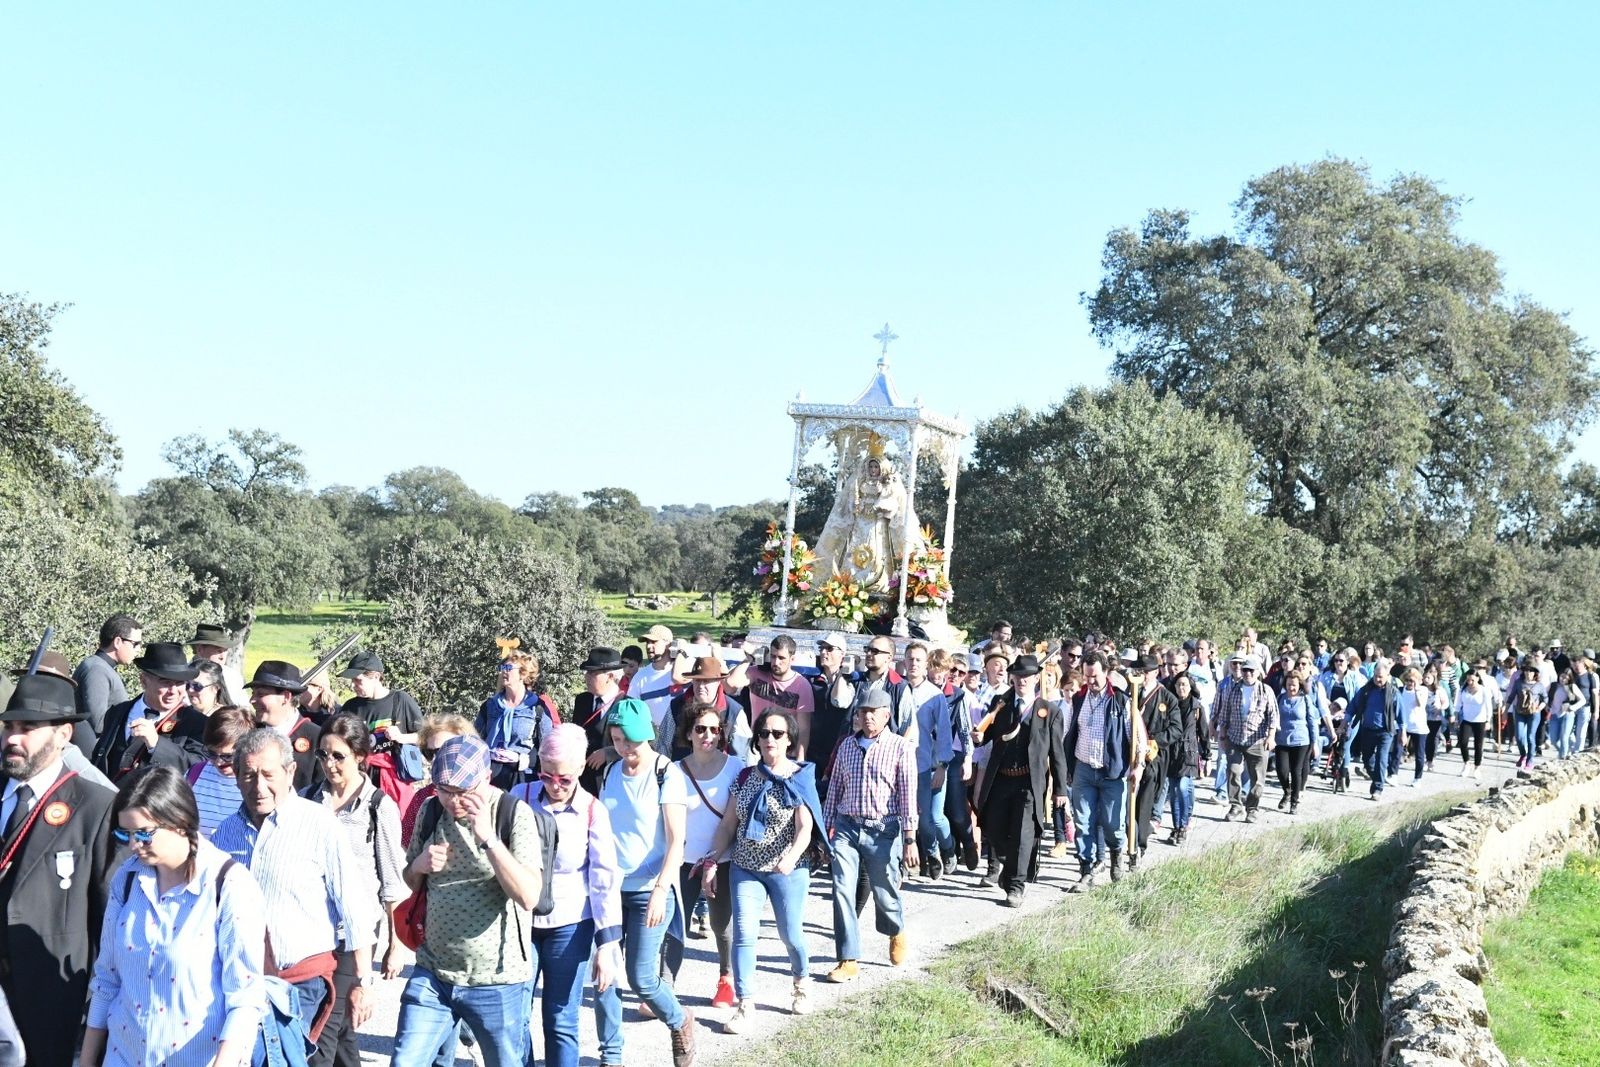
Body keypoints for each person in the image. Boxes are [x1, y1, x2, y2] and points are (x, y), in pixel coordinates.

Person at [81, 766, 267, 1067]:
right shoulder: (127, 880)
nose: (133, 845)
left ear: (180, 822)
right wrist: (88, 1061)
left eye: (144, 833)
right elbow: (106, 980)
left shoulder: (228, 885)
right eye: (124, 834)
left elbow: (245, 996)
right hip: (124, 1056)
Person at [213, 729, 378, 1062]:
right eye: (248, 775)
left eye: (268, 775)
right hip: (242, 985)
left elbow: (354, 907)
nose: (258, 786)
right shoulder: (224, 834)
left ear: (289, 772)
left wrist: (363, 982)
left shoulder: (319, 824)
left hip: (304, 983)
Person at [392, 735, 542, 1067]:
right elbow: (410, 880)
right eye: (445, 790)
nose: (454, 801)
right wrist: (418, 866)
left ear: (486, 778)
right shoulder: (431, 810)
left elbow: (529, 895)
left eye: (464, 792)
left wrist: (488, 838)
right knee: (405, 1061)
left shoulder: (512, 813)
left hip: (497, 980)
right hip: (433, 971)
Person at [0, 671, 120, 1067]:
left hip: (49, 996)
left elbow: (107, 912)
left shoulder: (94, 806)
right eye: (9, 727)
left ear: (64, 734)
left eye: (28, 728)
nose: (13, 738)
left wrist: (95, 1005)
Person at [700, 708, 825, 1032]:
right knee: (744, 935)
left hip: (788, 870)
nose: (770, 739)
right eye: (764, 733)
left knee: (790, 934)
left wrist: (791, 856)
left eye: (778, 734)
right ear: (756, 739)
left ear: (789, 740)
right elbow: (729, 824)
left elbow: (804, 828)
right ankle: (745, 1004)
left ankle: (801, 982)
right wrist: (713, 860)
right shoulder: (745, 777)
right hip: (746, 867)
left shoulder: (798, 777)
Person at [592, 699, 700, 1067]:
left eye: (630, 742)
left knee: (641, 978)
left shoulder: (666, 774)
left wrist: (659, 891)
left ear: (647, 738)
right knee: (604, 973)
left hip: (649, 890)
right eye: (617, 740)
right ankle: (611, 1055)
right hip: (609, 889)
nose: (624, 749)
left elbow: (676, 844)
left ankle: (680, 1019)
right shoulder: (609, 772)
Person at [306, 715, 409, 1067]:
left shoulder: (378, 807)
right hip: (312, 929)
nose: (329, 765)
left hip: (356, 934)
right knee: (343, 1031)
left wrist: (396, 945)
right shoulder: (307, 800)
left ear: (360, 756)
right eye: (323, 756)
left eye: (338, 756)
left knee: (321, 1031)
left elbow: (393, 883)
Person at [521, 723, 621, 1067]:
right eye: (547, 775)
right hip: (522, 921)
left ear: (580, 768)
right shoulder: (519, 797)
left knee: (560, 1018)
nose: (554, 786)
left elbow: (604, 880)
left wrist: (607, 945)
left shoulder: (594, 811)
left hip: (570, 924)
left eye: (564, 778)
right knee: (515, 1015)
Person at [821, 686, 917, 982]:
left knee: (884, 892)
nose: (867, 717)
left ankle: (895, 929)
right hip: (847, 828)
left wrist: (911, 839)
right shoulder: (847, 746)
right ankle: (848, 958)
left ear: (886, 715)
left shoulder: (900, 747)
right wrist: (826, 833)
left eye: (873, 712)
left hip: (883, 830)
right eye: (862, 712)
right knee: (841, 889)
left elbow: (907, 794)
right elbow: (835, 789)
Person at [975, 654, 1070, 905]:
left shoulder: (1050, 712)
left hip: (1029, 783)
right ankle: (1011, 866)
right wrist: (978, 737)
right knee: (993, 828)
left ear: (1036, 678)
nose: (1022, 681)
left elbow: (1057, 753)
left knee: (1022, 833)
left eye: (1026, 676)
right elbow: (987, 734)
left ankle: (1016, 886)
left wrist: (1060, 789)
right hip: (1001, 780)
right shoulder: (1000, 704)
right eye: (1017, 676)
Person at [667, 703, 739, 1007]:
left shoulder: (737, 766)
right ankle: (665, 985)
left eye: (713, 729)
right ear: (688, 733)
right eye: (700, 729)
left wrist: (713, 858)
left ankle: (727, 979)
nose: (707, 735)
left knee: (721, 926)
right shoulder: (674, 770)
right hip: (683, 861)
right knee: (674, 926)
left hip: (722, 861)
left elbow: (731, 821)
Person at [92, 641, 208, 780]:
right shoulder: (117, 712)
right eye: (165, 682)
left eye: (179, 683)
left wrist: (156, 744)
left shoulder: (197, 723)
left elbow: (198, 768)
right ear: (143, 681)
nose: (173, 691)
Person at [337, 651, 424, 810]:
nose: (353, 685)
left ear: (376, 677)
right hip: (359, 781)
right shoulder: (350, 707)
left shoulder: (400, 700)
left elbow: (426, 737)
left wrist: (401, 737)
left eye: (358, 680)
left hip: (395, 782)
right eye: (352, 681)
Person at [900, 643, 953, 879]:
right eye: (910, 659)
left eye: (918, 660)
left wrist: (942, 765)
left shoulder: (934, 695)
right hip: (894, 763)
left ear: (926, 665)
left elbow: (943, 733)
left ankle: (934, 853)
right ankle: (903, 860)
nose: (913, 664)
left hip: (921, 764)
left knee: (924, 816)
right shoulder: (896, 689)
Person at [476, 647, 557, 790]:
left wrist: (520, 759)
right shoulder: (490, 706)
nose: (503, 671)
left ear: (522, 674)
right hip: (489, 776)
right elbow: (475, 740)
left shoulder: (537, 708)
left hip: (522, 778)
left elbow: (548, 750)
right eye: (502, 667)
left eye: (508, 668)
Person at [1128, 653, 1181, 868]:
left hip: (1152, 758)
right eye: (1139, 672)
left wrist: (1153, 741)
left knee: (1143, 803)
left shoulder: (1167, 698)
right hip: (1127, 755)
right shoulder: (1128, 694)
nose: (1143, 675)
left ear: (1156, 672)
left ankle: (1138, 846)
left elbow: (1175, 729)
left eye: (1146, 672)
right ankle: (1124, 841)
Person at [1213, 655, 1278, 822]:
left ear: (1258, 672)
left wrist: (1271, 737)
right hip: (1234, 737)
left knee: (1257, 778)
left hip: (1257, 740)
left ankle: (1252, 807)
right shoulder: (1234, 689)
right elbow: (1225, 712)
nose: (1247, 673)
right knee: (1233, 772)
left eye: (1251, 670)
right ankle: (1236, 806)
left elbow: (1273, 716)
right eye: (1245, 670)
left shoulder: (1266, 690)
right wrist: (1222, 733)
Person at [246, 660, 323, 790]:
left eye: (261, 694)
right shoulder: (248, 733)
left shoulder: (318, 739)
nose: (252, 700)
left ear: (286, 697)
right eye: (253, 693)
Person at [72, 614, 142, 755]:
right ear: (117, 642)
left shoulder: (101, 667)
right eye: (135, 644)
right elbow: (98, 724)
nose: (139, 650)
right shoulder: (96, 669)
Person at [744, 635, 818, 758]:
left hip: (785, 753)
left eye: (781, 658)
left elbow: (804, 729)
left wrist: (800, 759)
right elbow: (731, 684)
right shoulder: (756, 673)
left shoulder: (802, 685)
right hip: (758, 748)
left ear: (792, 659)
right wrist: (747, 659)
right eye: (773, 656)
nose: (776, 662)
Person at [189, 705, 253, 836]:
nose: (218, 762)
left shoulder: (258, 781)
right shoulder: (195, 774)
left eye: (227, 756)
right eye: (211, 753)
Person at [573, 647, 626, 794]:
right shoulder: (582, 700)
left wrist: (609, 753)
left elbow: (648, 744)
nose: (586, 677)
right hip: (581, 782)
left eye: (593, 673)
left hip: (612, 783)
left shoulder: (627, 705)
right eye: (587, 672)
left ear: (609, 676)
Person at [1165, 672, 1209, 844]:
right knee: (1174, 792)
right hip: (1172, 753)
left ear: (1190, 686)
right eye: (1178, 685)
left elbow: (1203, 733)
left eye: (1184, 684)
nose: (1181, 688)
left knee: (1183, 788)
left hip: (1189, 752)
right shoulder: (1169, 704)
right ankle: (1176, 827)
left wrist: (1206, 755)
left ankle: (1183, 825)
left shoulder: (1196, 707)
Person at [1275, 672, 1327, 813]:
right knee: (1281, 770)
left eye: (1294, 685)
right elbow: (1274, 718)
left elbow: (1312, 722)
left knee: (1296, 771)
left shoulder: (1305, 700)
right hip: (1282, 740)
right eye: (1289, 685)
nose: (1291, 688)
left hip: (1301, 741)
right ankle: (1287, 791)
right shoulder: (1280, 698)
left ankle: (1294, 801)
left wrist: (1314, 742)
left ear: (1300, 685)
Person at [1351, 662, 1401, 799]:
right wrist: (1345, 723)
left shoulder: (1393, 693)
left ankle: (1378, 788)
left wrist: (1404, 731)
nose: (1378, 679)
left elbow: (1402, 715)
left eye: (1381, 677)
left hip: (1386, 731)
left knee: (1381, 758)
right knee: (1367, 759)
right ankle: (1377, 777)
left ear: (1387, 676)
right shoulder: (1366, 690)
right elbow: (1353, 706)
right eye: (1376, 676)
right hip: (1368, 729)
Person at [630, 626, 681, 744]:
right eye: (647, 642)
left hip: (683, 739)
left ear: (669, 644)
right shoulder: (640, 677)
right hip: (655, 741)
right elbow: (633, 713)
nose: (648, 646)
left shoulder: (682, 670)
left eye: (653, 642)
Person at [185, 623, 250, 708]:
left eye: (225, 651)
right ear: (200, 650)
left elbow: (244, 708)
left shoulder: (234, 677)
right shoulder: (183, 678)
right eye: (218, 651)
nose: (222, 657)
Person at [1455, 669, 1492, 779]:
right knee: (1463, 742)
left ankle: (1477, 767)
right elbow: (1458, 704)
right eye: (1468, 680)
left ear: (1477, 679)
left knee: (1478, 745)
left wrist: (1488, 720)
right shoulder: (1463, 690)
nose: (1470, 682)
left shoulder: (1483, 690)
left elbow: (1488, 706)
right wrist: (1456, 717)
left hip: (1480, 720)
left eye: (1472, 680)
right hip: (1466, 719)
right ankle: (1466, 763)